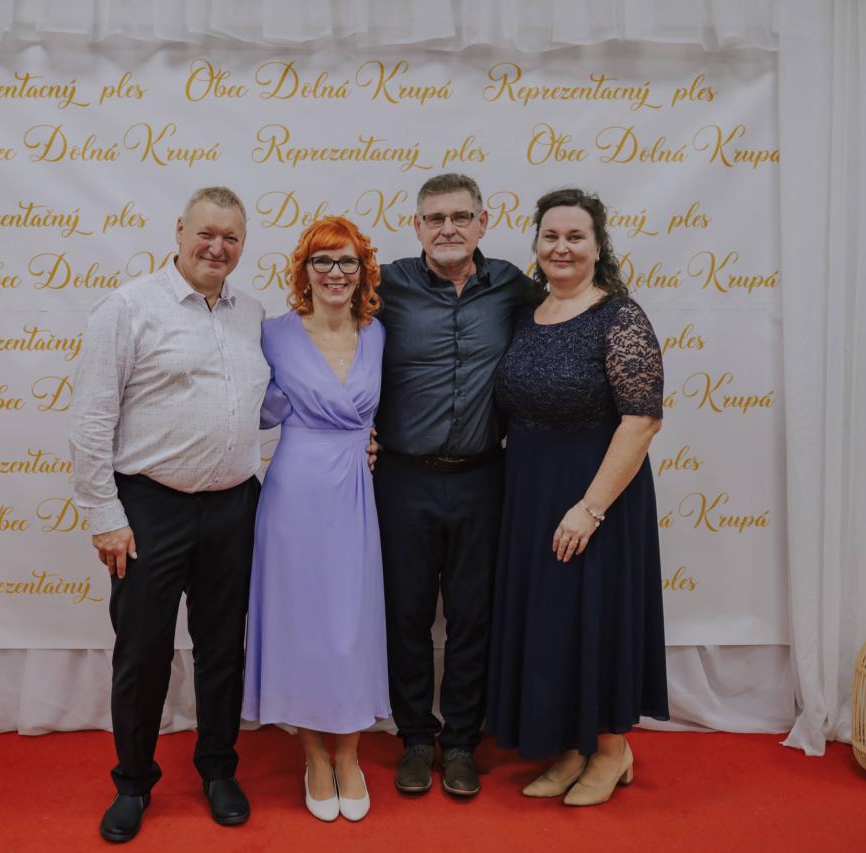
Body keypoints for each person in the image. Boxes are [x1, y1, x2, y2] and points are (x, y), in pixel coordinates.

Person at [68, 186, 269, 843]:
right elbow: (91, 418)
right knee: (143, 651)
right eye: (206, 233)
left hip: (235, 505)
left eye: (231, 237)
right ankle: (132, 781)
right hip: (149, 508)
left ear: (243, 244)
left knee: (223, 648)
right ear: (180, 230)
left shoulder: (251, 313)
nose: (217, 247)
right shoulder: (128, 308)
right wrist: (104, 513)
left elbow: (259, 403)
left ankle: (218, 768)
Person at [486, 187, 669, 806]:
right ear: (536, 244)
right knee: (554, 622)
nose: (561, 247)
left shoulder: (620, 317)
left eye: (575, 237)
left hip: (598, 497)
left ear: (597, 245)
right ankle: (570, 745)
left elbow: (641, 421)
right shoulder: (526, 313)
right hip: (529, 491)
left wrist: (590, 509)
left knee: (596, 617)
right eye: (551, 236)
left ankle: (612, 751)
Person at [374, 173, 536, 797]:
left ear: (482, 223)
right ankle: (416, 738)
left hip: (484, 479)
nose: (448, 228)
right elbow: (329, 340)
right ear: (416, 226)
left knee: (474, 616)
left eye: (460, 217)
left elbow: (566, 324)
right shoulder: (384, 284)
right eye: (435, 218)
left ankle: (463, 741)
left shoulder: (514, 287)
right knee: (406, 614)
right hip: (402, 479)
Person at [242, 216, 389, 823]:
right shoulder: (272, 334)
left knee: (350, 624)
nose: (334, 273)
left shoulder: (377, 334)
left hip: (354, 491)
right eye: (322, 261)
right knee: (300, 623)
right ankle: (314, 756)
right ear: (304, 271)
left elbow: (386, 410)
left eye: (347, 261)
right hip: (294, 494)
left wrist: (373, 440)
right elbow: (251, 410)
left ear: (363, 271)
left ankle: (350, 754)